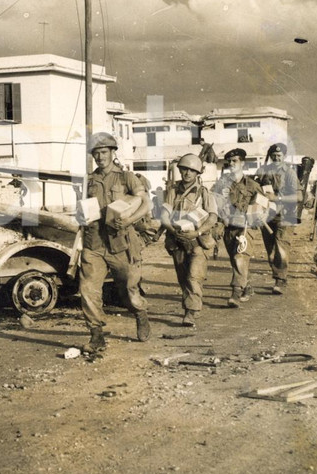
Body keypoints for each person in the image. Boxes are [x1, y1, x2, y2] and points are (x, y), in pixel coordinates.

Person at [75, 132, 150, 354]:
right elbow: (81, 208)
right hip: (94, 243)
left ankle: (140, 314)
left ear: (113, 152)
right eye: (96, 153)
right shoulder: (89, 180)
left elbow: (145, 204)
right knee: (88, 289)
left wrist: (129, 219)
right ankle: (96, 334)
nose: (100, 157)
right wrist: (80, 216)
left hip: (122, 244)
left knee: (128, 289)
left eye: (104, 152)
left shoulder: (127, 178)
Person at [159, 152, 218, 327]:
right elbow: (164, 215)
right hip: (177, 241)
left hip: (197, 242)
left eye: (191, 170)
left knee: (194, 277)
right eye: (184, 169)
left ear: (197, 173)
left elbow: (213, 217)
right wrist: (171, 229)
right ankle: (189, 306)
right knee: (183, 278)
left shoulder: (204, 193)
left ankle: (191, 312)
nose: (187, 173)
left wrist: (198, 232)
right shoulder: (172, 191)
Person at [212, 148, 266, 306]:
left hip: (245, 228)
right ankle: (246, 286)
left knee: (239, 257)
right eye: (229, 161)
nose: (231, 164)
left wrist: (258, 215)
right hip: (228, 228)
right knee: (235, 260)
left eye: (234, 161)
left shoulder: (253, 185)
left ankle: (235, 292)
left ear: (243, 163)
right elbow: (213, 203)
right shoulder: (222, 183)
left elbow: (263, 205)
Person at [254, 143, 300, 294]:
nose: (276, 158)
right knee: (271, 251)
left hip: (286, 215)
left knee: (282, 247)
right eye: (273, 155)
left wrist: (277, 197)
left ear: (284, 156)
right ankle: (277, 274)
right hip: (267, 215)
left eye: (279, 156)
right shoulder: (263, 171)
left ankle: (281, 279)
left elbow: (298, 196)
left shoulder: (290, 173)